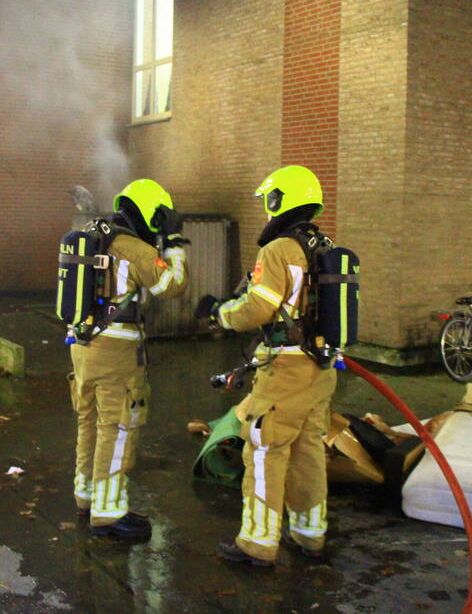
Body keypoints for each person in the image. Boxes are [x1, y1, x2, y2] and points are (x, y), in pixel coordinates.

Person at [197, 165, 337, 566]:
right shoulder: (322, 246)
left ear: (281, 200)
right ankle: (310, 535)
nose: (267, 209)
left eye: (269, 201)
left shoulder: (278, 250)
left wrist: (220, 313)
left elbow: (259, 307)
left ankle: (257, 543)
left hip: (286, 371)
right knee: (308, 449)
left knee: (263, 449)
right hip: (319, 366)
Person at [68, 178, 189, 539]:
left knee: (89, 421)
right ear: (153, 214)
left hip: (81, 345)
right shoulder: (134, 248)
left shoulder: (95, 236)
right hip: (115, 353)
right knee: (118, 426)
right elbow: (173, 286)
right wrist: (177, 243)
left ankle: (86, 495)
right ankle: (108, 512)